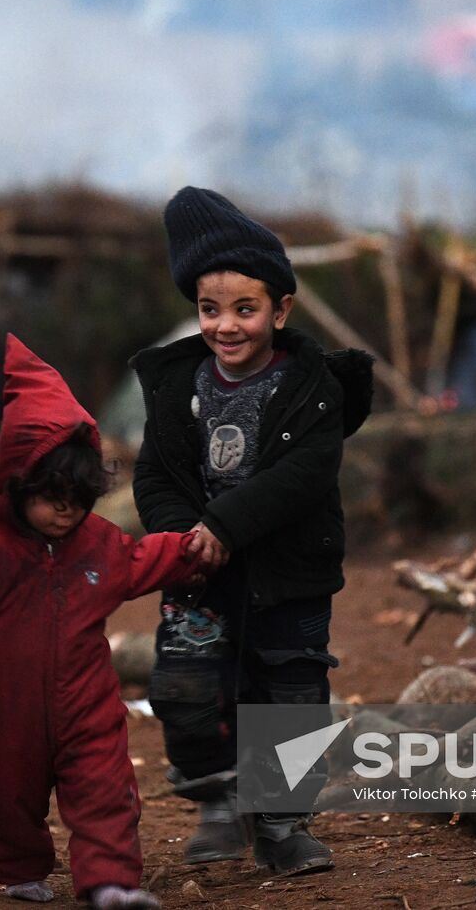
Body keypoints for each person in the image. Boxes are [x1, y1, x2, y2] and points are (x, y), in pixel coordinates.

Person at [0, 335, 212, 909]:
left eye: (78, 496)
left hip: (87, 706)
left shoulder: (98, 543)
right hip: (3, 712)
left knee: (107, 790)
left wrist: (197, 547)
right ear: (18, 483)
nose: (65, 509)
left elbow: (144, 558)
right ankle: (18, 867)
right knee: (6, 796)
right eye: (50, 496)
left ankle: (109, 884)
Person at [131, 186, 373, 875]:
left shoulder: (311, 387)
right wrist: (184, 537)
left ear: (281, 308)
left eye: (245, 308)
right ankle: (217, 803)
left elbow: (305, 473)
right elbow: (154, 478)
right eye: (210, 309)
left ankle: (282, 824)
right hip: (200, 574)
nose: (226, 324)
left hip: (287, 575)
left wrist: (226, 523)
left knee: (290, 694)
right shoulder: (179, 387)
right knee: (190, 685)